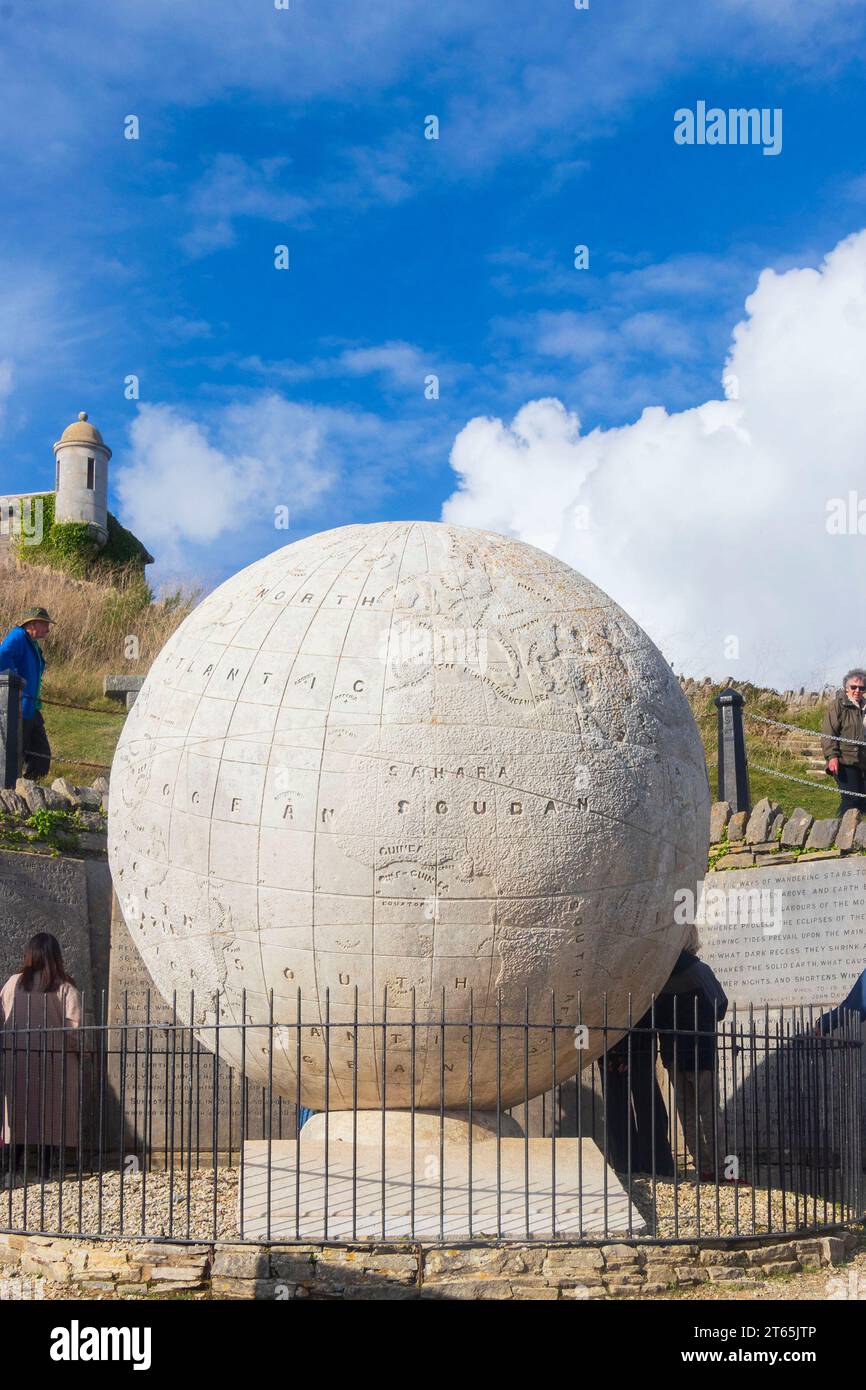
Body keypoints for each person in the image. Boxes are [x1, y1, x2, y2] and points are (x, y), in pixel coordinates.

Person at [0, 933, 81, 1185]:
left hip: (18, 1060)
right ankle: (45, 1174)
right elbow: (75, 1030)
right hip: (54, 1062)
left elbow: (3, 1017)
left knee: (19, 1118)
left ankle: (11, 1172)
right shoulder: (65, 987)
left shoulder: (14, 983)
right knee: (50, 1118)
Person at [653, 947, 729, 1181]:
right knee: (709, 1112)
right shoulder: (699, 970)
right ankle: (721, 1169)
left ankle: (702, 1168)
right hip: (699, 1051)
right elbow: (720, 1006)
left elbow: (655, 1015)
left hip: (672, 1052)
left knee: (686, 1113)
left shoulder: (662, 974)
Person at [597, 1004, 675, 1177]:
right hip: (621, 1046)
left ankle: (648, 1163)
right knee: (624, 1106)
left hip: (635, 1044)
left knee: (644, 1104)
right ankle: (638, 1164)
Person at [0, 606, 53, 779]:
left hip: (31, 707)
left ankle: (28, 789)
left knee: (41, 754)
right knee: (15, 753)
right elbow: (2, 657)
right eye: (44, 624)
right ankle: (12, 793)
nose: (48, 629)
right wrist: (16, 685)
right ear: (32, 624)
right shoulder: (18, 636)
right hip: (18, 707)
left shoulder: (33, 644)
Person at [821, 670, 866, 814]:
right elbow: (829, 732)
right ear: (846, 688)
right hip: (844, 759)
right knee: (851, 800)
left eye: (861, 688)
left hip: (863, 761)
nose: (857, 691)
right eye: (853, 687)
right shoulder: (838, 706)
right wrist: (832, 757)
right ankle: (842, 831)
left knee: (863, 801)